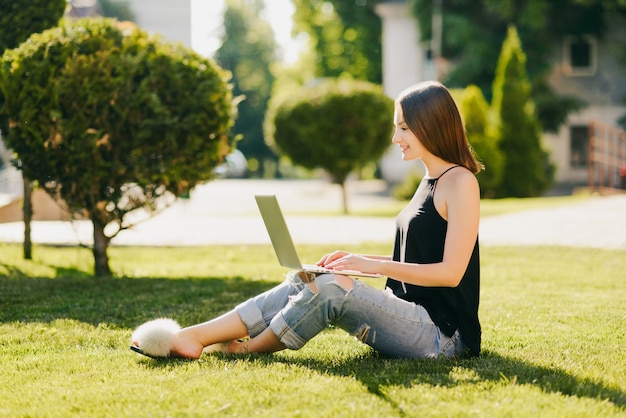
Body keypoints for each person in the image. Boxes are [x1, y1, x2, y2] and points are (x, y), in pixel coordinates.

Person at [131, 81, 483, 360]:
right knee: (313, 278)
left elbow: (450, 272)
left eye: (404, 128)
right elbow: (417, 261)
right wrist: (357, 261)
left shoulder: (461, 182)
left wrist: (373, 267)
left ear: (430, 124)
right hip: (411, 315)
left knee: (329, 289)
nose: (395, 138)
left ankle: (248, 348)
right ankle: (196, 336)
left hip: (443, 336)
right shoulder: (428, 182)